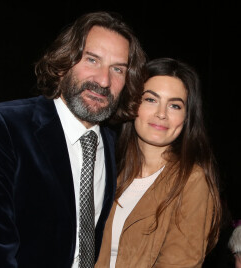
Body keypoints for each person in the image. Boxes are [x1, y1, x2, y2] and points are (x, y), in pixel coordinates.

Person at [0, 11, 147, 268]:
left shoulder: (114, 147)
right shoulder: (0, 127)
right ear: (64, 63)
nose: (104, 80)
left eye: (117, 69)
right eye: (92, 60)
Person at [95, 57, 222, 267]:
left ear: (186, 117)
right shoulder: (108, 167)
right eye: (151, 100)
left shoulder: (192, 181)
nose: (161, 114)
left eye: (174, 105)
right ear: (134, 104)